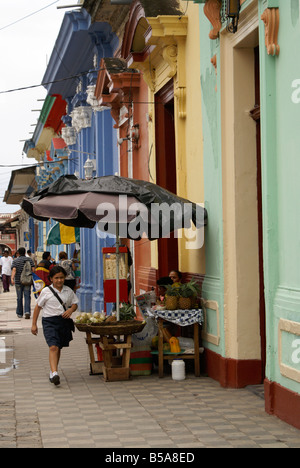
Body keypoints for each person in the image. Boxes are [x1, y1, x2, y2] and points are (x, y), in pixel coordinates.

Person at [31, 266, 79, 386]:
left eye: (61, 278)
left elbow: (75, 304)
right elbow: (38, 307)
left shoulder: (68, 291)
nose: (59, 280)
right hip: (49, 322)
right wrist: (34, 325)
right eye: (56, 278)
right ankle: (54, 373)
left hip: (63, 321)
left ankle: (54, 370)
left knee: (58, 347)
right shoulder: (46, 291)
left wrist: (71, 310)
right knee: (53, 347)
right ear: (51, 279)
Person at [11, 247, 35, 319]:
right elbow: (33, 270)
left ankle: (19, 313)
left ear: (18, 253)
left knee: (19, 297)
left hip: (18, 281)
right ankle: (27, 311)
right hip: (27, 281)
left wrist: (12, 278)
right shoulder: (29, 259)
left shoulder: (16, 260)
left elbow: (14, 270)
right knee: (27, 296)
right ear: (25, 253)